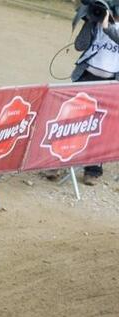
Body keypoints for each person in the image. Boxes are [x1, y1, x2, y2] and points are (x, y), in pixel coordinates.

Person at [72, 0, 119, 184]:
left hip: (110, 84)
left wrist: (108, 25)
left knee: (100, 127)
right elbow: (79, 46)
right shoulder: (97, 20)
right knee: (74, 121)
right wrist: (90, 19)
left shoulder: (109, 25)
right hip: (86, 76)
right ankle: (58, 163)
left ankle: (93, 169)